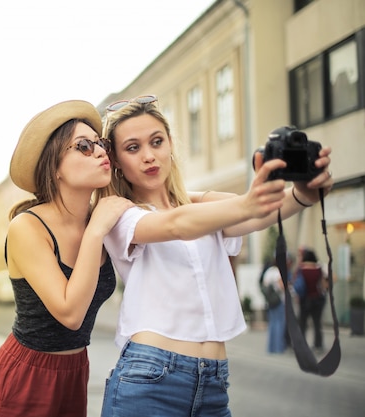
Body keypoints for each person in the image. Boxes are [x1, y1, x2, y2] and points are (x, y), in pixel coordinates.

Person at [97, 95, 333, 416]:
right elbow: (177, 225)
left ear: (170, 146)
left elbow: (255, 216)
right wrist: (245, 202)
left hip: (214, 383)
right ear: (117, 162)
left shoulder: (201, 209)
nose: (149, 156)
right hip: (150, 378)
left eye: (157, 141)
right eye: (133, 147)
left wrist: (304, 194)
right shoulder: (121, 215)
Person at [0, 100, 134, 417]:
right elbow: (69, 313)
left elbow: (173, 215)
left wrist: (248, 204)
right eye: (83, 146)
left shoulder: (100, 218)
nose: (99, 152)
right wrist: (95, 233)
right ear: (54, 166)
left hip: (75, 371)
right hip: (27, 374)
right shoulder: (28, 226)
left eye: (100, 143)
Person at [296, 247, 328, 351]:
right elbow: (323, 285)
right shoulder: (318, 269)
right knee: (317, 323)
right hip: (317, 299)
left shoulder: (301, 269)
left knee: (303, 323)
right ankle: (318, 344)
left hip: (304, 299)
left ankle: (302, 345)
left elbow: (296, 284)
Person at [260, 256, 288, 354]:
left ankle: (271, 347)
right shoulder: (277, 272)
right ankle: (279, 347)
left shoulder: (268, 272)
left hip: (270, 301)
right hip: (279, 300)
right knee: (280, 323)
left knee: (272, 323)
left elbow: (264, 285)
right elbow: (281, 285)